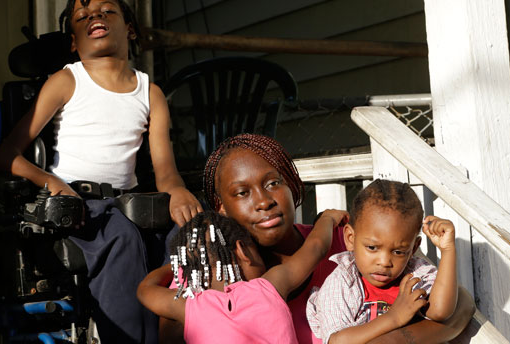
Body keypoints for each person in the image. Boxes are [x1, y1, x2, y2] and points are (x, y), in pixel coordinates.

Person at [0, 0, 201, 343]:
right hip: (78, 205)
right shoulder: (67, 80)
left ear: (130, 29)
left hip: (130, 202)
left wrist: (179, 191)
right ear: (74, 41)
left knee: (187, 232)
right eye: (83, 17)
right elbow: (7, 154)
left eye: (107, 11)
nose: (96, 18)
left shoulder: (149, 92)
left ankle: (187, 330)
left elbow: (165, 169)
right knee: (121, 237)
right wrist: (50, 181)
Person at [188, 133, 474, 344]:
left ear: (291, 184)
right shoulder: (210, 269)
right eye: (242, 193)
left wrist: (396, 339)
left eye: (274, 183)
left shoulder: (347, 244)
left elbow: (459, 306)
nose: (264, 201)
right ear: (221, 207)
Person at [138, 209, 348, 343]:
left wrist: (180, 266)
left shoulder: (187, 307)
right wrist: (327, 218)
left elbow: (145, 289)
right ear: (242, 251)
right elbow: (317, 247)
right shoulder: (270, 286)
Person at [306, 179, 458, 343]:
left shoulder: (415, 274)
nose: (385, 262)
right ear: (350, 238)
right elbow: (337, 341)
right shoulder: (343, 281)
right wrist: (394, 317)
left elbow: (440, 311)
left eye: (399, 252)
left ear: (413, 249)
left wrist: (447, 250)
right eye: (372, 248)